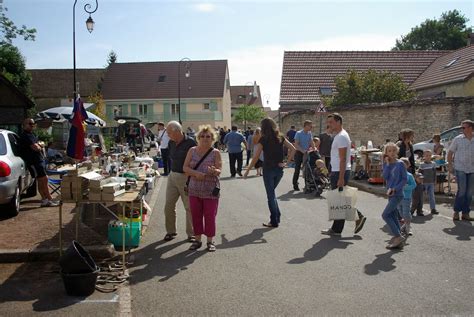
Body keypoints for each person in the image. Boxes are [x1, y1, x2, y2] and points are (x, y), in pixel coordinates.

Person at [244, 118, 295, 228]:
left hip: (268, 170)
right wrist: (286, 162)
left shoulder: (264, 139)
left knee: (270, 195)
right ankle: (277, 215)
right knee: (272, 194)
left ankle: (274, 221)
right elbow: (293, 148)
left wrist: (248, 170)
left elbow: (256, 156)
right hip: (279, 170)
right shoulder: (280, 137)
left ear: (263, 127)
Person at [321, 113, 367, 236]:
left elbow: (342, 159)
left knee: (339, 201)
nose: (329, 124)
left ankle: (346, 224)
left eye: (331, 122)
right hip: (338, 171)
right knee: (340, 200)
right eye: (328, 122)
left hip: (339, 172)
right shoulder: (339, 136)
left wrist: (340, 177)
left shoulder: (341, 137)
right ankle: (339, 228)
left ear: (338, 122)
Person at [183, 125, 222, 252]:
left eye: (208, 136)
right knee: (196, 215)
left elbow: (219, 170)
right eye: (203, 136)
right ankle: (198, 240)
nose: (205, 138)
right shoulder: (192, 150)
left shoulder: (215, 152)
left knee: (210, 215)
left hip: (210, 190)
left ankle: (210, 241)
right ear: (198, 138)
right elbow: (185, 168)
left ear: (213, 139)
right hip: (194, 189)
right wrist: (195, 173)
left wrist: (214, 171)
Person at [163, 121, 197, 242]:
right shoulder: (171, 142)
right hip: (173, 175)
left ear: (177, 131)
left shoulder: (191, 142)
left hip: (185, 177)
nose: (167, 135)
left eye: (169, 132)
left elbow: (197, 159)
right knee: (168, 205)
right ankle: (171, 231)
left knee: (189, 207)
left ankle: (191, 233)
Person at [19, 118, 59, 207]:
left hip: (38, 161)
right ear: (24, 125)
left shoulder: (31, 134)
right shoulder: (26, 136)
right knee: (44, 180)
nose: (32, 125)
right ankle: (50, 199)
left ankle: (44, 200)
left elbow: (40, 143)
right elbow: (36, 147)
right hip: (34, 162)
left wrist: (40, 144)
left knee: (41, 181)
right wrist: (40, 145)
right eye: (30, 123)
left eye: (33, 124)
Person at [381, 142, 407, 249]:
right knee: (392, 215)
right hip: (390, 194)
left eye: (393, 150)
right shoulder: (386, 163)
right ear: (386, 153)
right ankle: (399, 235)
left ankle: (397, 236)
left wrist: (396, 189)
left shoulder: (400, 164)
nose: (392, 153)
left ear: (397, 151)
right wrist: (386, 164)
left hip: (398, 194)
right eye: (389, 151)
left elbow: (404, 179)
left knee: (385, 215)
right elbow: (385, 176)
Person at [447, 120, 474, 221]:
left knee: (470, 192)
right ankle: (456, 212)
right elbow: (450, 153)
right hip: (460, 168)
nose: (461, 129)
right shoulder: (458, 139)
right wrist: (450, 165)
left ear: (470, 128)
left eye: (464, 127)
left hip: (472, 169)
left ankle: (465, 213)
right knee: (462, 191)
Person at [292, 120, 314, 191]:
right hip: (299, 153)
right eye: (310, 126)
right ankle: (295, 184)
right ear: (306, 126)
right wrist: (302, 151)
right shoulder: (298, 133)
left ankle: (307, 185)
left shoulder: (309, 133)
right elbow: (296, 144)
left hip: (306, 153)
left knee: (307, 169)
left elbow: (311, 141)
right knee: (297, 169)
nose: (311, 127)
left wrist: (314, 148)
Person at [399, 158, 417, 237]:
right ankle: (405, 225)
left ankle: (408, 228)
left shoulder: (409, 176)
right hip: (397, 197)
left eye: (403, 164)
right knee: (401, 213)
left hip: (406, 197)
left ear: (407, 166)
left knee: (406, 213)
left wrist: (406, 187)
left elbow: (414, 185)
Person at [419, 149, 438, 215]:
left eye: (429, 155)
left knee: (431, 196)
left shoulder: (433, 164)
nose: (428, 157)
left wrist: (435, 180)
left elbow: (435, 173)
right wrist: (420, 181)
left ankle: (433, 209)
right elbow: (420, 174)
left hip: (431, 182)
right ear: (424, 156)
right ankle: (420, 209)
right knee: (422, 196)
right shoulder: (422, 165)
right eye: (426, 155)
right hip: (424, 183)